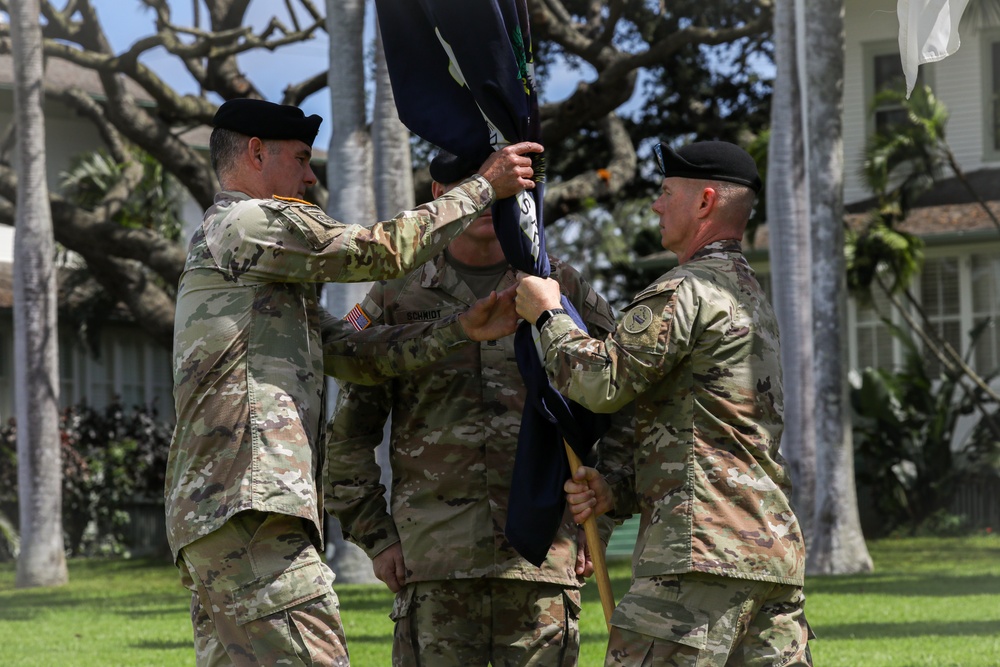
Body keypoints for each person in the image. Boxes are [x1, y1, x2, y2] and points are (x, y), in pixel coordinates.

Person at [166, 98, 542, 667]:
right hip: (249, 510)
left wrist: (458, 329)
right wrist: (483, 187)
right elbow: (380, 250)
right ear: (256, 153)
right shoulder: (248, 222)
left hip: (228, 514)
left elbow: (350, 352)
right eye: (300, 159)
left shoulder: (257, 265)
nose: (311, 176)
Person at [514, 141, 813, 666]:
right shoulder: (749, 297)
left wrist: (546, 315)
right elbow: (708, 428)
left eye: (666, 192)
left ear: (704, 203)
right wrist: (619, 490)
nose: (655, 204)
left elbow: (604, 382)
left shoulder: (685, 291)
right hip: (769, 556)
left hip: (698, 560)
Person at [324, 150, 627, 666]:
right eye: (468, 184)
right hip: (434, 564)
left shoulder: (559, 287)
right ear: (441, 198)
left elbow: (624, 397)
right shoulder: (397, 295)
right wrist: (376, 536)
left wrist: (602, 512)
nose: (488, 199)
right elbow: (350, 431)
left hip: (542, 562)